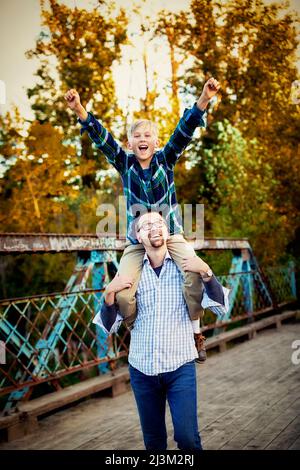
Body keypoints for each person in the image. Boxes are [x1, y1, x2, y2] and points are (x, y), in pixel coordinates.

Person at [64, 77, 221, 361]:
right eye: (137, 136)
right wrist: (79, 109)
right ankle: (136, 330)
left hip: (170, 234)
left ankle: (196, 332)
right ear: (130, 143)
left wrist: (204, 97)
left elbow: (184, 131)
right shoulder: (124, 164)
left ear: (156, 142)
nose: (143, 140)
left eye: (148, 136)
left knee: (194, 275)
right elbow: (102, 139)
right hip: (138, 242)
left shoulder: (166, 159)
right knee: (123, 291)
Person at [93, 211, 229, 451]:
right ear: (137, 235)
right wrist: (108, 295)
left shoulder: (186, 268)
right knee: (154, 442)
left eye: (159, 223)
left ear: (168, 231)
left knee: (187, 439)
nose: (154, 227)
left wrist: (207, 272)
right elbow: (108, 326)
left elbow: (219, 307)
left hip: (180, 367)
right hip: (142, 370)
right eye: (146, 225)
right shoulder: (129, 275)